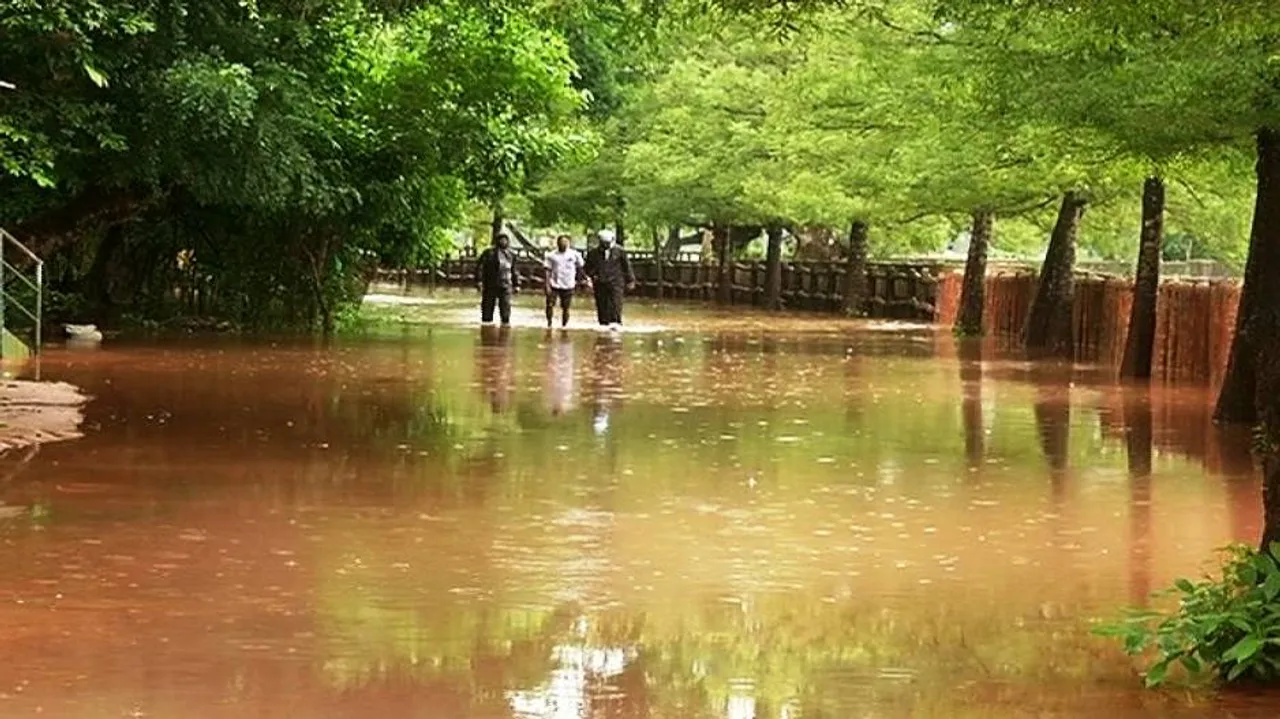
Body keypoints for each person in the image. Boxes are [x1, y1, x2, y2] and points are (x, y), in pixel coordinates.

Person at [583, 229, 635, 328]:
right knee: (602, 305)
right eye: (604, 243)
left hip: (616, 282)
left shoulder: (620, 251)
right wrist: (588, 279)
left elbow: (627, 266)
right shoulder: (593, 253)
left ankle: (616, 324)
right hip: (600, 283)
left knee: (616, 304)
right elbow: (587, 268)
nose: (606, 245)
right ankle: (603, 325)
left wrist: (631, 280)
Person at [474, 233, 519, 325]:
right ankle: (486, 330)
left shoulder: (511, 255)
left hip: (506, 285)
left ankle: (505, 330)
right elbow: (479, 267)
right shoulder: (488, 253)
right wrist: (478, 281)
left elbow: (514, 270)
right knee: (487, 311)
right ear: (497, 241)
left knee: (505, 310)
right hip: (490, 284)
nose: (503, 242)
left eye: (505, 240)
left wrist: (516, 284)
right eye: (501, 240)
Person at [543, 234, 585, 328]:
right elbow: (547, 270)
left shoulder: (575, 255)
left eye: (565, 242)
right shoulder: (551, 255)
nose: (563, 244)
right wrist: (547, 285)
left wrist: (581, 281)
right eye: (561, 242)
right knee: (550, 305)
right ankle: (549, 323)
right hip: (554, 284)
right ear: (557, 243)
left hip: (569, 284)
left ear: (569, 243)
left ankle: (564, 326)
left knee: (566, 308)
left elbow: (580, 268)